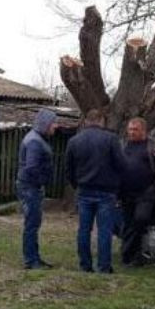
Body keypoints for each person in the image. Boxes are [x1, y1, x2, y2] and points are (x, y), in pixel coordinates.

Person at [65, 109, 128, 273]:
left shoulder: (74, 141)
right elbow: (121, 165)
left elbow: (69, 170)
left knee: (84, 230)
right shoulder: (111, 139)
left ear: (86, 121)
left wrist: (77, 185)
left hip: (84, 189)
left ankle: (85, 265)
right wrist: (117, 185)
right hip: (106, 191)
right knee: (104, 231)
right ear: (102, 121)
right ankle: (104, 266)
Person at [120, 117, 155, 267]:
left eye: (135, 129)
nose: (131, 132)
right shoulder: (122, 145)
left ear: (144, 131)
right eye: (130, 129)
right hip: (126, 193)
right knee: (128, 223)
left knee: (140, 220)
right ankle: (130, 257)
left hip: (147, 193)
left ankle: (130, 253)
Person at [15, 108, 58, 270]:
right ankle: (31, 260)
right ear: (46, 123)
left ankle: (34, 258)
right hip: (30, 187)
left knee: (33, 223)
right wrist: (42, 181)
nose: (56, 126)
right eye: (54, 123)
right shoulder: (34, 141)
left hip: (31, 186)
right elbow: (31, 167)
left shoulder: (38, 138)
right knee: (32, 224)